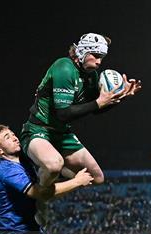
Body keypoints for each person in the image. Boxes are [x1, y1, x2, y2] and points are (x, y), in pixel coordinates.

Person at [19, 33, 142, 222]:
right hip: (38, 130)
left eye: (103, 57)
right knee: (54, 165)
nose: (100, 62)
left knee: (96, 177)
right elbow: (64, 113)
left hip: (62, 134)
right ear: (83, 51)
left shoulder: (91, 76)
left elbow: (97, 109)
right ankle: (39, 198)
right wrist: (100, 102)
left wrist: (120, 97)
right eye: (97, 56)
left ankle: (47, 185)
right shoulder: (64, 68)